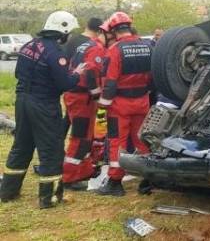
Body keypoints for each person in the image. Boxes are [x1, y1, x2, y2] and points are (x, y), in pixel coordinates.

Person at [0, 11, 85, 208]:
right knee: (51, 149)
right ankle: (50, 198)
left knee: (21, 146)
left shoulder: (29, 45)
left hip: (22, 101)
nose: (69, 36)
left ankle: (7, 191)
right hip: (44, 104)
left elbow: (17, 73)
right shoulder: (55, 53)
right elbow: (65, 84)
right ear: (62, 32)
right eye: (69, 32)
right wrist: (77, 74)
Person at [96, 12, 153, 196]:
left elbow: (110, 81)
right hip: (142, 101)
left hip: (120, 104)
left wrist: (103, 104)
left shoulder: (115, 50)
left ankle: (114, 182)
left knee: (117, 142)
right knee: (142, 139)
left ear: (113, 31)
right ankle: (147, 179)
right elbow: (153, 75)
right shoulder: (147, 46)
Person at [62, 20, 107, 190]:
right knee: (80, 137)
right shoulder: (95, 48)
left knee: (86, 136)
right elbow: (89, 72)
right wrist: (97, 95)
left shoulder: (85, 45)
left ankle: (83, 171)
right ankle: (69, 178)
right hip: (81, 97)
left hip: (76, 95)